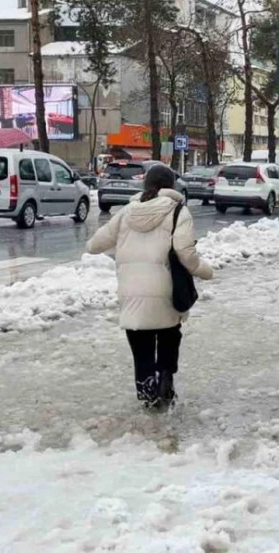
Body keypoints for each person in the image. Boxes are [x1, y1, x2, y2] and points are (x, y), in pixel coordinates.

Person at [86, 165, 213, 409]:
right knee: (169, 335)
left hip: (131, 292)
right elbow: (186, 253)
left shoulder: (126, 212)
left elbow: (94, 245)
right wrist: (205, 271)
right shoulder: (178, 211)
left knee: (141, 347)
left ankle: (147, 395)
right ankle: (166, 379)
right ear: (172, 186)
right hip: (165, 290)